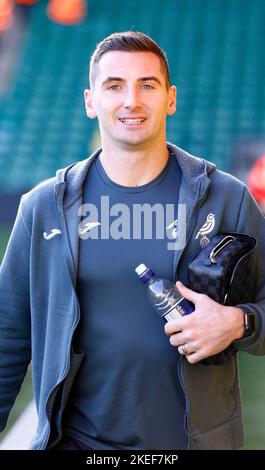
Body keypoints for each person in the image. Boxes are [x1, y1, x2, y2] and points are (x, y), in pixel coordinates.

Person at [0, 31, 265, 451]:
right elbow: (7, 335)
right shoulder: (44, 208)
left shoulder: (226, 198)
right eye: (114, 86)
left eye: (147, 85)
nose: (131, 100)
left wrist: (239, 322)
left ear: (170, 98)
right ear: (91, 101)